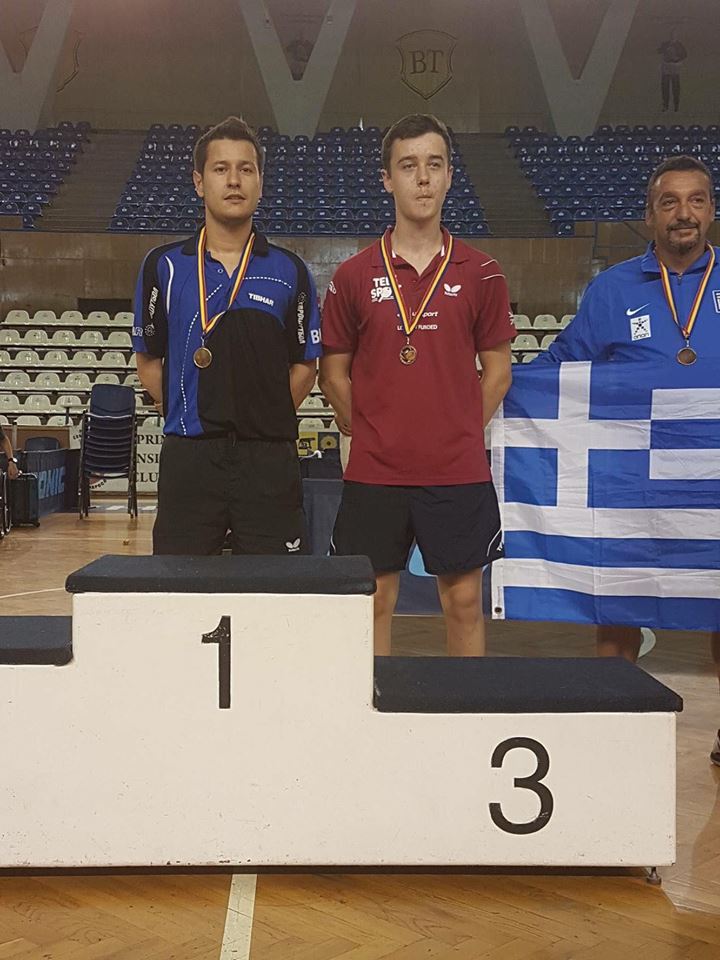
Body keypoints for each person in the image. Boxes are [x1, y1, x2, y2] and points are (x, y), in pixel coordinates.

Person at [536, 154, 720, 765]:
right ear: (649, 215)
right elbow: (560, 365)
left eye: (696, 200)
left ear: (711, 210)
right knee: (616, 608)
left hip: (714, 484)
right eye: (669, 202)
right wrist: (497, 383)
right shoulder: (612, 289)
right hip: (632, 485)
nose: (683, 213)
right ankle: (613, 727)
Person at [320, 114, 515, 657]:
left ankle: (465, 707)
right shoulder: (354, 274)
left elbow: (498, 371)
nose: (423, 178)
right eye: (408, 166)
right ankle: (373, 710)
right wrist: (371, 430)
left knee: (464, 602)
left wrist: (457, 430)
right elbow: (332, 372)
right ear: (387, 179)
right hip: (375, 470)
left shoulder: (483, 272)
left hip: (456, 468)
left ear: (450, 175)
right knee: (373, 601)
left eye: (434, 165)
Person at [132, 116, 321, 555]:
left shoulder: (290, 270)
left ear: (260, 183)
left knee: (276, 587)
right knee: (181, 586)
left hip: (268, 460)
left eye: (246, 169)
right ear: (199, 182)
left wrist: (261, 419)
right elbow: (148, 360)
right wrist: (188, 411)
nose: (234, 180)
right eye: (221, 169)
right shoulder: (163, 266)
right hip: (190, 458)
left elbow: (305, 365)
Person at [658, 31, 687, 113]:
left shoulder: (679, 45)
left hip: (675, 68)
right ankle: (665, 105)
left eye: (674, 35)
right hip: (666, 68)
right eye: (671, 35)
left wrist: (677, 59)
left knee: (676, 88)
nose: (673, 36)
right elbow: (659, 51)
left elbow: (685, 54)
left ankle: (676, 106)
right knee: (665, 87)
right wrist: (663, 49)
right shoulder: (665, 44)